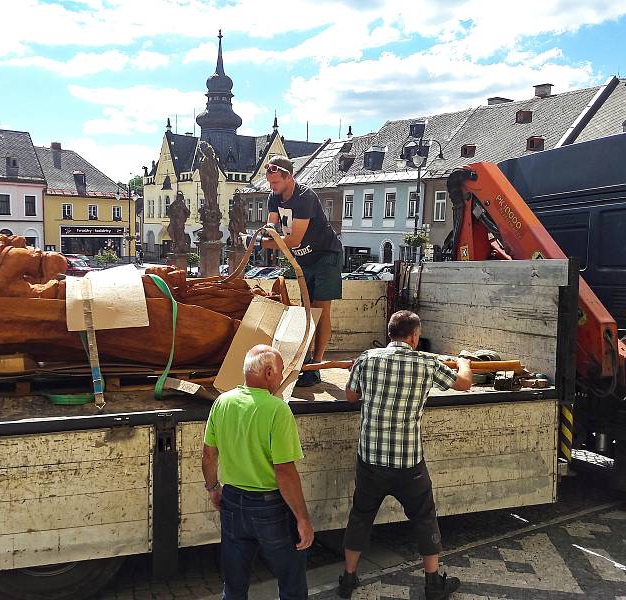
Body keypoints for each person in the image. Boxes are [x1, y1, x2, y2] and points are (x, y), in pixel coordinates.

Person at [338, 310, 473, 600]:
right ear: (413, 336)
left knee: (360, 516)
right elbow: (464, 384)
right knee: (424, 517)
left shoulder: (367, 358)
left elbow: (351, 396)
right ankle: (433, 584)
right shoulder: (427, 363)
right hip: (408, 461)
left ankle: (348, 579)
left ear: (390, 333)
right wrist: (463, 362)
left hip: (371, 458)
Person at [202, 344, 314, 600]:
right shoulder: (277, 409)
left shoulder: (222, 402)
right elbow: (284, 471)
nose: (282, 377)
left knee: (234, 585)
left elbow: (209, 455)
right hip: (269, 508)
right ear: (268, 372)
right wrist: (303, 518)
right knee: (291, 580)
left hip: (232, 502)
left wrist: (213, 488)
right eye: (280, 371)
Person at [261, 155, 343, 387]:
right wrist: (262, 238)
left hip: (327, 255)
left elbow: (294, 238)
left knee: (320, 309)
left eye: (276, 182)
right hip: (304, 260)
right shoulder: (273, 197)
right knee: (308, 310)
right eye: (270, 183)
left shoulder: (305, 197)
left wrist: (266, 242)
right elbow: (271, 228)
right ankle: (304, 360)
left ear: (289, 177)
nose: (272, 187)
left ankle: (315, 365)